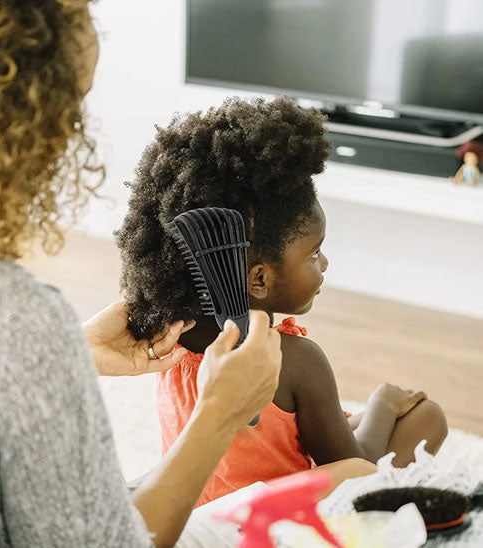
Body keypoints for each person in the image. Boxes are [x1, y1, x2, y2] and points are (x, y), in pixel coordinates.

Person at [0, 2, 288, 547]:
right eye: (71, 108)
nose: (75, 138)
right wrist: (220, 414)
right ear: (19, 125)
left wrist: (66, 355)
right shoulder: (7, 317)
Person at [117, 96, 449, 506]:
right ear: (259, 278)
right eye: (313, 253)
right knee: (426, 416)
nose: (324, 262)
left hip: (194, 506)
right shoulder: (296, 361)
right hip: (275, 519)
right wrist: (381, 403)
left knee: (347, 421)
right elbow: (353, 464)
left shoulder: (169, 339)